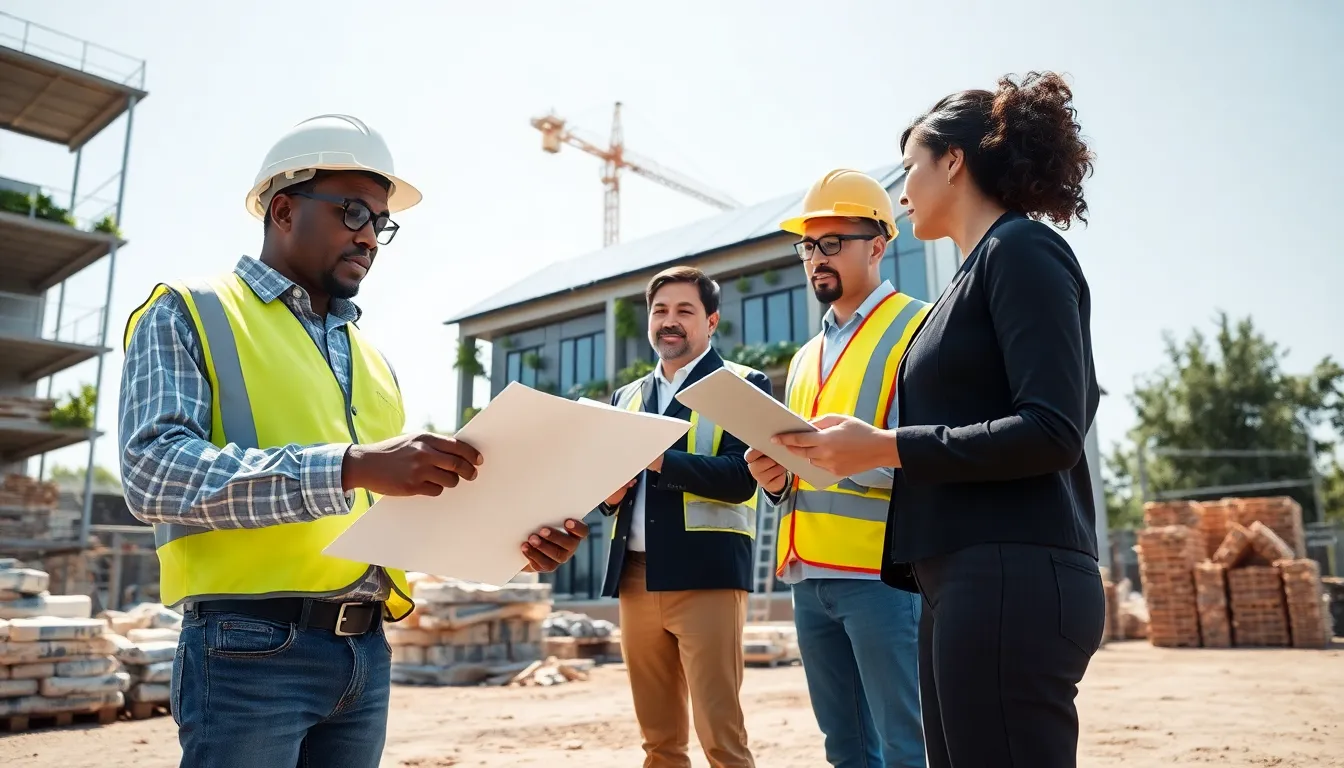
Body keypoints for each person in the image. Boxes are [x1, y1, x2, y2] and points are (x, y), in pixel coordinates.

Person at [117, 114, 589, 768]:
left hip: (364, 652)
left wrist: (514, 537)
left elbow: (392, 513)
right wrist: (352, 466)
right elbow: (152, 473)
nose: (370, 236)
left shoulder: (372, 361)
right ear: (283, 209)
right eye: (352, 212)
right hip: (247, 648)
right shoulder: (190, 311)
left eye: (379, 223)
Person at [773, 72, 1105, 768]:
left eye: (909, 168)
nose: (901, 192)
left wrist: (886, 445)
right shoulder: (970, 276)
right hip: (958, 576)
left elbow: (1052, 429)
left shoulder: (1022, 251)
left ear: (953, 162)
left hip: (1012, 572)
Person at [745, 169, 929, 768]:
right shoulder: (804, 357)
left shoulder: (918, 328)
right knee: (844, 749)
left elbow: (935, 454)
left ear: (879, 244)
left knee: (908, 745)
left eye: (831, 244)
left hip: (882, 575)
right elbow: (801, 460)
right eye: (807, 246)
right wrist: (776, 480)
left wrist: (856, 461)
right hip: (808, 576)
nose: (815, 259)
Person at [596, 265, 770, 768]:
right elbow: (608, 491)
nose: (669, 321)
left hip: (707, 577)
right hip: (634, 578)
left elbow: (742, 477)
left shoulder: (742, 385)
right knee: (659, 741)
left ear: (711, 321)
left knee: (722, 737)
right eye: (660, 311)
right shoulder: (624, 399)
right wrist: (607, 494)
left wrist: (657, 456)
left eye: (685, 311)